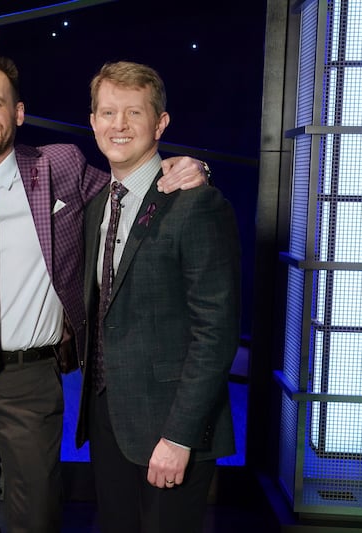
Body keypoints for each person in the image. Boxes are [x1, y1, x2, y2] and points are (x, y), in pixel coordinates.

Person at [0, 56, 208, 533]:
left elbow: (135, 182)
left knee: (37, 519)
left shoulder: (59, 165)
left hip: (30, 380)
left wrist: (194, 166)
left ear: (18, 113)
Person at [76, 61, 241, 533]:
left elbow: (217, 332)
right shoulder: (95, 207)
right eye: (107, 113)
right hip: (109, 418)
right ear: (93, 122)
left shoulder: (196, 203)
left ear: (160, 123)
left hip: (171, 429)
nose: (119, 125)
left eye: (133, 113)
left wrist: (179, 437)